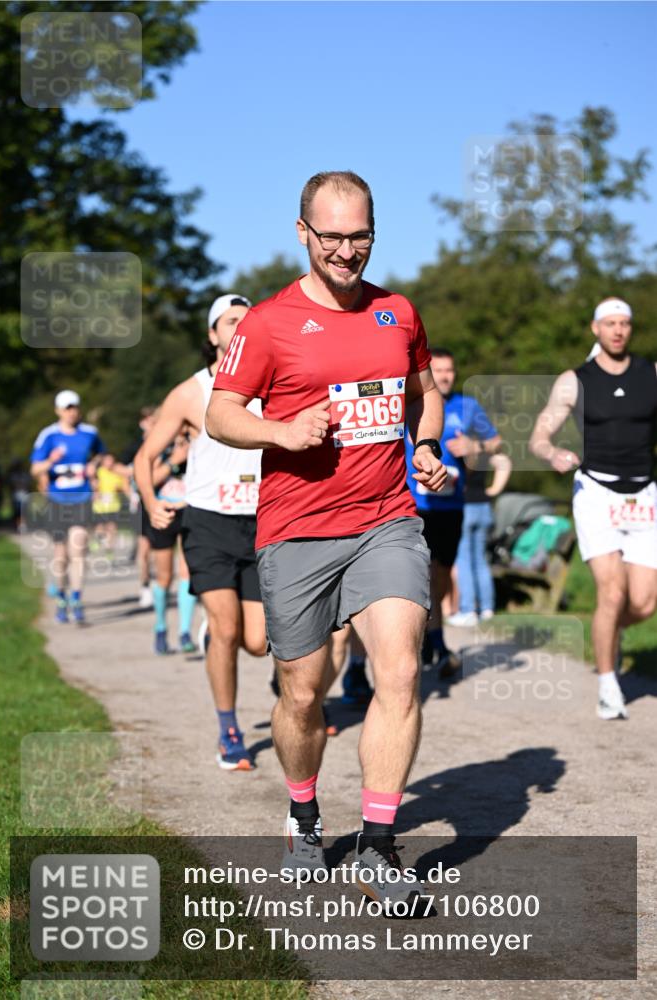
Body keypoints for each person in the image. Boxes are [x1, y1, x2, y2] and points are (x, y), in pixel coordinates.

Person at [207, 171, 447, 906]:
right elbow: (221, 413)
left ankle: (377, 844)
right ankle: (304, 817)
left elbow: (424, 392)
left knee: (399, 671)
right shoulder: (268, 322)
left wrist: (426, 445)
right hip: (297, 529)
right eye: (332, 236)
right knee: (303, 693)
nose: (347, 250)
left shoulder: (397, 312)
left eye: (360, 235)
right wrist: (281, 430)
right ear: (302, 232)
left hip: (386, 520)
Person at [134, 293, 267, 770]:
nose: (240, 328)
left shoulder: (272, 384)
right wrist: (152, 502)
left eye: (247, 321)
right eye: (231, 322)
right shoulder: (191, 392)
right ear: (213, 335)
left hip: (262, 521)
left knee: (258, 642)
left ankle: (218, 632)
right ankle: (229, 731)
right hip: (208, 521)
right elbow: (145, 457)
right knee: (227, 630)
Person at [530, 297, 657, 720]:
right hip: (596, 492)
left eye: (625, 324)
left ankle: (607, 635)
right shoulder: (574, 380)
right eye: (610, 323)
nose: (618, 330)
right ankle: (607, 684)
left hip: (644, 494)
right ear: (596, 329)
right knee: (612, 591)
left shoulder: (650, 373)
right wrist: (552, 452)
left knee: (644, 603)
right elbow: (540, 435)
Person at [398, 349, 501, 679]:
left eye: (449, 371)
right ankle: (432, 642)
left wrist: (474, 448)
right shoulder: (410, 402)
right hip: (415, 505)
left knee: (441, 575)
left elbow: (496, 443)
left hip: (452, 505)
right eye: (438, 370)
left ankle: (431, 636)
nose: (444, 376)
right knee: (422, 573)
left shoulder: (467, 406)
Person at [29, 390, 105, 623]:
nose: (71, 412)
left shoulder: (89, 433)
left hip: (81, 499)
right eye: (67, 408)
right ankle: (61, 596)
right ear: (58, 411)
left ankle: (77, 598)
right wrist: (51, 461)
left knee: (78, 549)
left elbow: (102, 455)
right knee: (61, 555)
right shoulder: (48, 436)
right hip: (57, 501)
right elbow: (35, 469)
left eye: (74, 407)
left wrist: (94, 465)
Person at [139, 432, 197, 654]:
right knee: (164, 577)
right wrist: (174, 460)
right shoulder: (160, 445)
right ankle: (161, 627)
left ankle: (185, 632)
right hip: (163, 513)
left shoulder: (197, 442)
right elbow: (149, 480)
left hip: (189, 512)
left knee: (187, 573)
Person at [447, 446, 513, 626]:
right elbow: (504, 462)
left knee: (464, 560)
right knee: (480, 560)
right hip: (484, 507)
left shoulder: (457, 446)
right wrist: (494, 489)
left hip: (464, 507)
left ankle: (468, 610)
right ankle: (487, 609)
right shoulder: (484, 446)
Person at [118, 406, 158, 609]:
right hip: (142, 502)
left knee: (161, 551)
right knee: (144, 550)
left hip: (163, 499)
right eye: (149, 420)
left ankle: (161, 587)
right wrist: (135, 476)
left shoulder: (165, 442)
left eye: (155, 420)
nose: (152, 424)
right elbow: (116, 466)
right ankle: (145, 587)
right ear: (142, 423)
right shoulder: (135, 446)